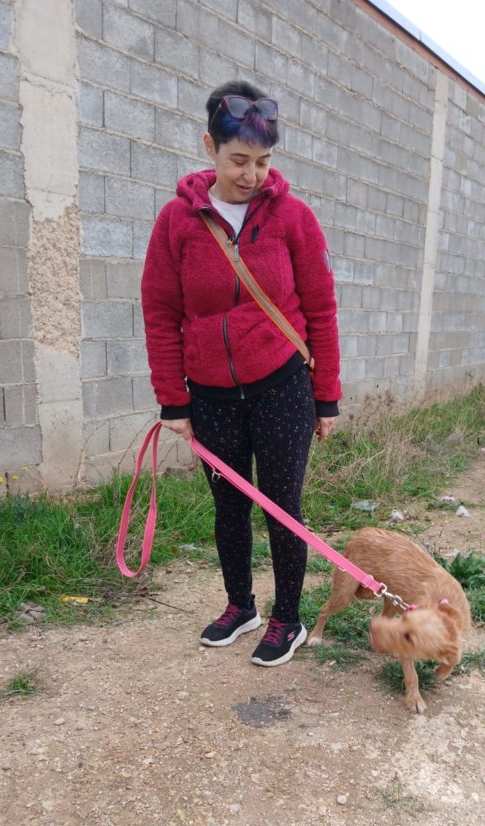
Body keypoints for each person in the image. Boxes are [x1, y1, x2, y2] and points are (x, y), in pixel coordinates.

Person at [141, 80, 341, 667]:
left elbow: (322, 310)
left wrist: (325, 397)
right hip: (210, 394)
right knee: (228, 504)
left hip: (282, 385)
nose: (252, 174)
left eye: (263, 161)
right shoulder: (177, 221)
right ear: (209, 147)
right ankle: (240, 606)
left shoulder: (294, 218)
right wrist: (172, 402)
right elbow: (160, 313)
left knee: (281, 501)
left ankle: (288, 618)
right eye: (238, 160)